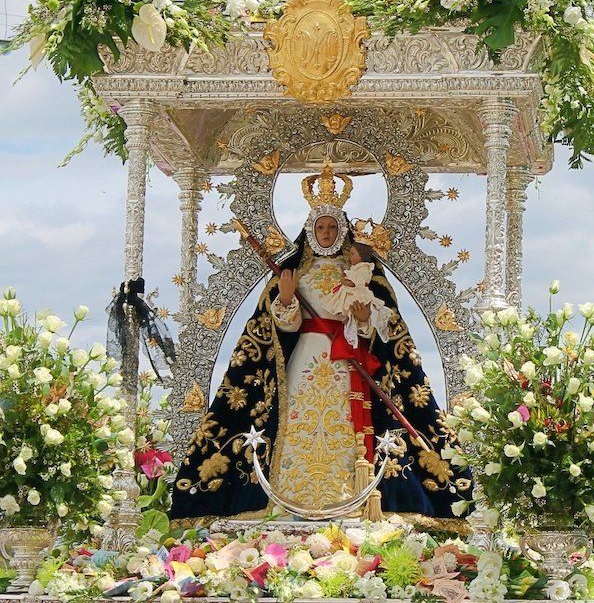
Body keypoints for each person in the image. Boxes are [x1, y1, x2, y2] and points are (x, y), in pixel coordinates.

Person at [169, 164, 471, 522]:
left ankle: (351, 500)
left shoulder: (361, 273)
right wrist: (284, 299)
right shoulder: (294, 271)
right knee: (298, 422)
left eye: (331, 227)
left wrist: (362, 320)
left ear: (341, 230)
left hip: (347, 363)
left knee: (346, 427)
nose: (326, 233)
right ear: (310, 231)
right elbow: (280, 327)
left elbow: (386, 326)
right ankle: (288, 501)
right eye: (320, 227)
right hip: (305, 361)